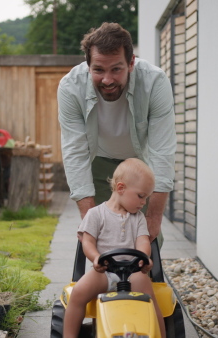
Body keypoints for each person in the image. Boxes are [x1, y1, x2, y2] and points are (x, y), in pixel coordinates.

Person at [58, 22, 176, 245]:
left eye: (116, 69)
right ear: (88, 65)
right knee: (102, 236)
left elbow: (162, 151)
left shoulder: (155, 82)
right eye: (99, 70)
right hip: (99, 162)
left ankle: (144, 279)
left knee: (147, 237)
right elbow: (75, 151)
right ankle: (104, 280)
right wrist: (88, 219)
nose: (108, 80)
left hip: (141, 164)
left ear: (131, 63)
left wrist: (154, 217)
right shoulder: (70, 87)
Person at [62, 158, 166, 338]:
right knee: (77, 294)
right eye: (141, 196)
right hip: (103, 271)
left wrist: (144, 257)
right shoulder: (96, 214)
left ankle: (160, 335)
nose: (143, 203)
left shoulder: (138, 218)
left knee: (151, 297)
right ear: (121, 188)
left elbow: (143, 241)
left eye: (146, 198)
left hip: (133, 271)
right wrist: (96, 259)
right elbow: (87, 242)